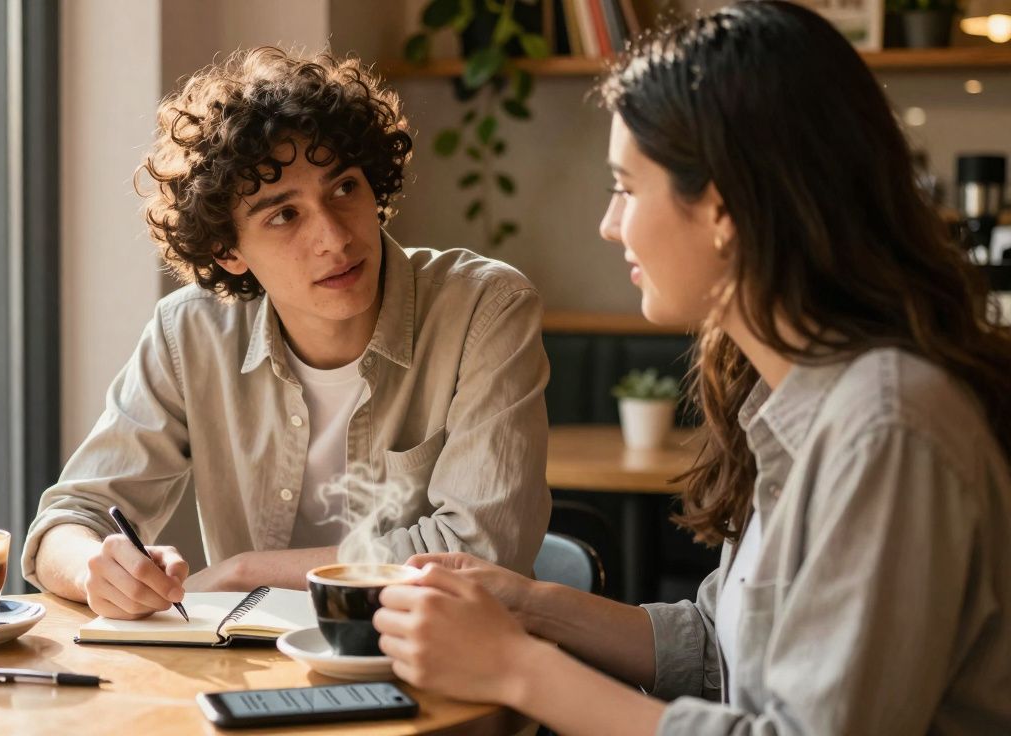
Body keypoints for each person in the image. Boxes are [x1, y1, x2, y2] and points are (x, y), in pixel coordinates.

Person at [373, 2, 1011, 734]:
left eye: (625, 187)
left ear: (723, 206)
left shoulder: (887, 427)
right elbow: (723, 650)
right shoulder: (793, 393)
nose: (610, 225)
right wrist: (525, 604)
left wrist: (516, 667)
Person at [20, 47, 551, 620]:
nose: (334, 237)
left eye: (344, 188)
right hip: (249, 671)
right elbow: (71, 517)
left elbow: (481, 554)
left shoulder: (484, 308)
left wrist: (241, 573)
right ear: (228, 252)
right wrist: (97, 570)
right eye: (284, 215)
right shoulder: (190, 332)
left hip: (442, 662)